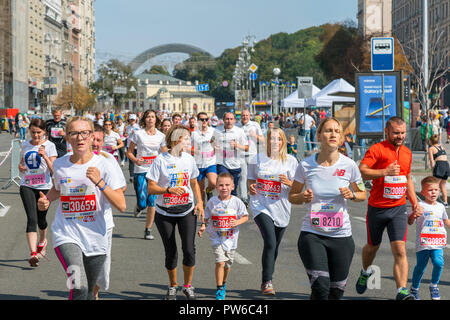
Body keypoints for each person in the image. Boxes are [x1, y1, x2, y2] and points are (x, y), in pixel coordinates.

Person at [37, 116, 126, 300]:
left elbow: (121, 205)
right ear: (67, 138)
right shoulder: (60, 164)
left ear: (92, 136)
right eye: (74, 133)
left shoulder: (105, 164)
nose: (80, 138)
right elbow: (57, 189)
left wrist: (100, 182)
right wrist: (47, 200)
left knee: (89, 291)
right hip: (66, 234)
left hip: (96, 238)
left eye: (84, 133)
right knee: (78, 286)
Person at [288, 117, 366, 300]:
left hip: (341, 237)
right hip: (312, 234)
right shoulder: (306, 165)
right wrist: (302, 197)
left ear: (340, 139)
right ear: (319, 135)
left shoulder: (349, 165)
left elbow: (363, 194)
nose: (333, 134)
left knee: (335, 293)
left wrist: (352, 195)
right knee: (321, 288)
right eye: (328, 130)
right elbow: (292, 196)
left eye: (337, 131)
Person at [355, 116, 422, 300]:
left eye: (402, 133)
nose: (400, 136)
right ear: (387, 132)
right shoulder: (377, 149)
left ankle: (401, 291)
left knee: (400, 249)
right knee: (372, 247)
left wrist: (415, 203)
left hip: (398, 208)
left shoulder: (407, 153)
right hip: (377, 208)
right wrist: (384, 172)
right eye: (396, 133)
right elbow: (362, 170)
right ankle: (364, 271)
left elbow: (407, 179)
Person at [146, 125, 204, 300]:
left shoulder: (189, 159)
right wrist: (168, 190)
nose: (188, 141)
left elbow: (193, 182)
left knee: (189, 249)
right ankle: (173, 286)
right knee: (171, 251)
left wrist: (200, 202)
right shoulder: (161, 160)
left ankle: (187, 286)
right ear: (175, 140)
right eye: (185, 138)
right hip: (165, 213)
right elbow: (150, 187)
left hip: (186, 210)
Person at [248, 128, 298, 295]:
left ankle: (268, 274)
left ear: (283, 141)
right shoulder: (257, 159)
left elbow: (298, 186)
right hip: (260, 205)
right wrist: (251, 186)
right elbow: (250, 179)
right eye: (271, 139)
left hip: (281, 207)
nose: (274, 142)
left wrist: (289, 182)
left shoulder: (291, 161)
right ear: (267, 141)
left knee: (274, 245)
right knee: (270, 242)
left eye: (278, 139)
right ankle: (267, 281)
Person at [198, 173, 248, 300]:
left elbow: (245, 216)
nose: (224, 188)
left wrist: (237, 222)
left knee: (228, 265)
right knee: (220, 262)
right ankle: (219, 288)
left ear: (232, 186)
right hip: (216, 236)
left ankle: (224, 283)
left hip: (231, 238)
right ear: (216, 187)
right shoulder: (212, 201)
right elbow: (206, 216)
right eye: (220, 185)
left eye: (227, 185)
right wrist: (203, 226)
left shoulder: (237, 202)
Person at [91, 124, 127, 300]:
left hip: (103, 222)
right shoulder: (72, 159)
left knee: (102, 270)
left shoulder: (109, 160)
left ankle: (94, 292)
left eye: (99, 140)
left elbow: (122, 189)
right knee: (79, 267)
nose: (95, 144)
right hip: (76, 223)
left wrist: (102, 185)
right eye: (93, 140)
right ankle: (88, 293)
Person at [19, 118, 58, 267]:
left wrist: (45, 156)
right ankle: (33, 253)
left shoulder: (50, 146)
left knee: (41, 220)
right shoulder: (25, 145)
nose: (36, 136)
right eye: (33, 132)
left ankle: (43, 240)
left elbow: (54, 170)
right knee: (31, 219)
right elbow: (22, 164)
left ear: (44, 132)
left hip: (44, 186)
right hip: (27, 185)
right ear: (29, 130)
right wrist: (21, 167)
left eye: (39, 133)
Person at [408, 176, 449, 300]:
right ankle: (414, 288)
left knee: (439, 263)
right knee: (421, 266)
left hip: (437, 242)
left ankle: (434, 285)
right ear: (423, 192)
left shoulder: (441, 207)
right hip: (424, 243)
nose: (434, 192)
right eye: (430, 190)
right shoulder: (420, 205)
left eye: (436, 190)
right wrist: (413, 215)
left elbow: (445, 220)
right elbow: (410, 221)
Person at [127, 110, 166, 240]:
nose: (150, 119)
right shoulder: (138, 134)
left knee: (152, 202)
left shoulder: (161, 136)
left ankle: (148, 229)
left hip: (154, 172)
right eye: (148, 117)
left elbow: (165, 153)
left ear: (156, 119)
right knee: (143, 203)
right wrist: (136, 160)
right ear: (144, 119)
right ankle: (138, 207)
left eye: (152, 117)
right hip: (140, 169)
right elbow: (129, 152)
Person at [213, 112, 248, 197]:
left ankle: (233, 205)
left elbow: (247, 147)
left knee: (233, 189)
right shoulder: (217, 130)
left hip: (235, 164)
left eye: (231, 119)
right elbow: (211, 142)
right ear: (223, 120)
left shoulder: (239, 131)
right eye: (227, 119)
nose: (229, 121)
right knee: (224, 184)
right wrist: (213, 147)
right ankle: (223, 203)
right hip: (221, 163)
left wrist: (237, 145)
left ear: (234, 120)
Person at [237, 109, 264, 207]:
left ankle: (254, 195)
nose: (245, 117)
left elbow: (262, 140)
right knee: (243, 176)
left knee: (253, 176)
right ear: (241, 116)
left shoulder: (255, 125)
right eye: (243, 115)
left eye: (246, 115)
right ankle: (244, 199)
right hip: (240, 155)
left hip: (252, 154)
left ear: (250, 116)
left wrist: (254, 135)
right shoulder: (237, 126)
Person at [191, 112, 217, 203]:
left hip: (210, 162)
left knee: (213, 183)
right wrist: (195, 151)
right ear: (198, 121)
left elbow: (218, 144)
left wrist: (216, 147)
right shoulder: (194, 134)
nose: (204, 121)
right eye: (202, 120)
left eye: (206, 119)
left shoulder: (213, 131)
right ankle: (203, 208)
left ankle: (209, 190)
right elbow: (187, 147)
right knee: (200, 190)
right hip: (198, 164)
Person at [427, 134, 449, 207]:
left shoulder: (431, 148)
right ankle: (445, 203)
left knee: (435, 185)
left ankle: (434, 202)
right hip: (446, 165)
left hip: (440, 165)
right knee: (442, 185)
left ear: (430, 141)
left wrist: (433, 170)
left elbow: (431, 160)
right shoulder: (442, 147)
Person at [124, 114, 140, 182]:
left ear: (135, 120)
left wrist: (136, 132)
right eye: (131, 119)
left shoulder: (138, 127)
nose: (132, 121)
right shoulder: (127, 127)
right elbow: (125, 134)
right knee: (131, 161)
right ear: (129, 120)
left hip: (137, 146)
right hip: (129, 146)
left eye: (133, 119)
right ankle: (131, 176)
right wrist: (125, 135)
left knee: (137, 160)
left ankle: (138, 173)